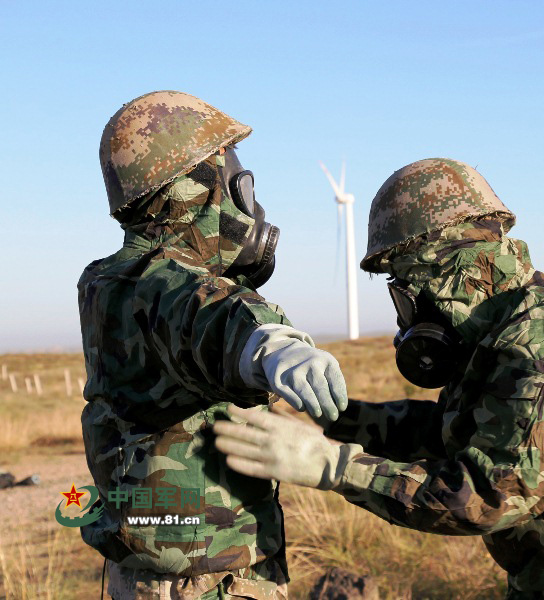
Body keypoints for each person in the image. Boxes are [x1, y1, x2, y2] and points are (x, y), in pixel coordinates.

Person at [214, 158, 544, 599]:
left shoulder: (539, 333)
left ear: (447, 268)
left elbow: (494, 493)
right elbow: (456, 432)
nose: (409, 311)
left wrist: (333, 467)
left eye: (406, 285)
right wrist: (337, 421)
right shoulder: (504, 316)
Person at [80, 90, 348, 600]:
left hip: (140, 572)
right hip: (204, 580)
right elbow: (209, 314)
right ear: (195, 190)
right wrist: (276, 346)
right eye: (235, 183)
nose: (247, 203)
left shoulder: (105, 282)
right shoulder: (164, 283)